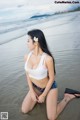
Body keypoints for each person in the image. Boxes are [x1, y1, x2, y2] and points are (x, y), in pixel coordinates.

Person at [21, 29, 80, 120]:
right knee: (24, 110)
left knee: (52, 117)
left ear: (36, 42)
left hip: (50, 88)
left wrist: (44, 95)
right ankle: (45, 100)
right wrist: (32, 92)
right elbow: (28, 75)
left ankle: (67, 97)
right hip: (36, 88)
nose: (26, 43)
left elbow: (52, 78)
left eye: (28, 40)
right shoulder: (26, 57)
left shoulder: (47, 59)